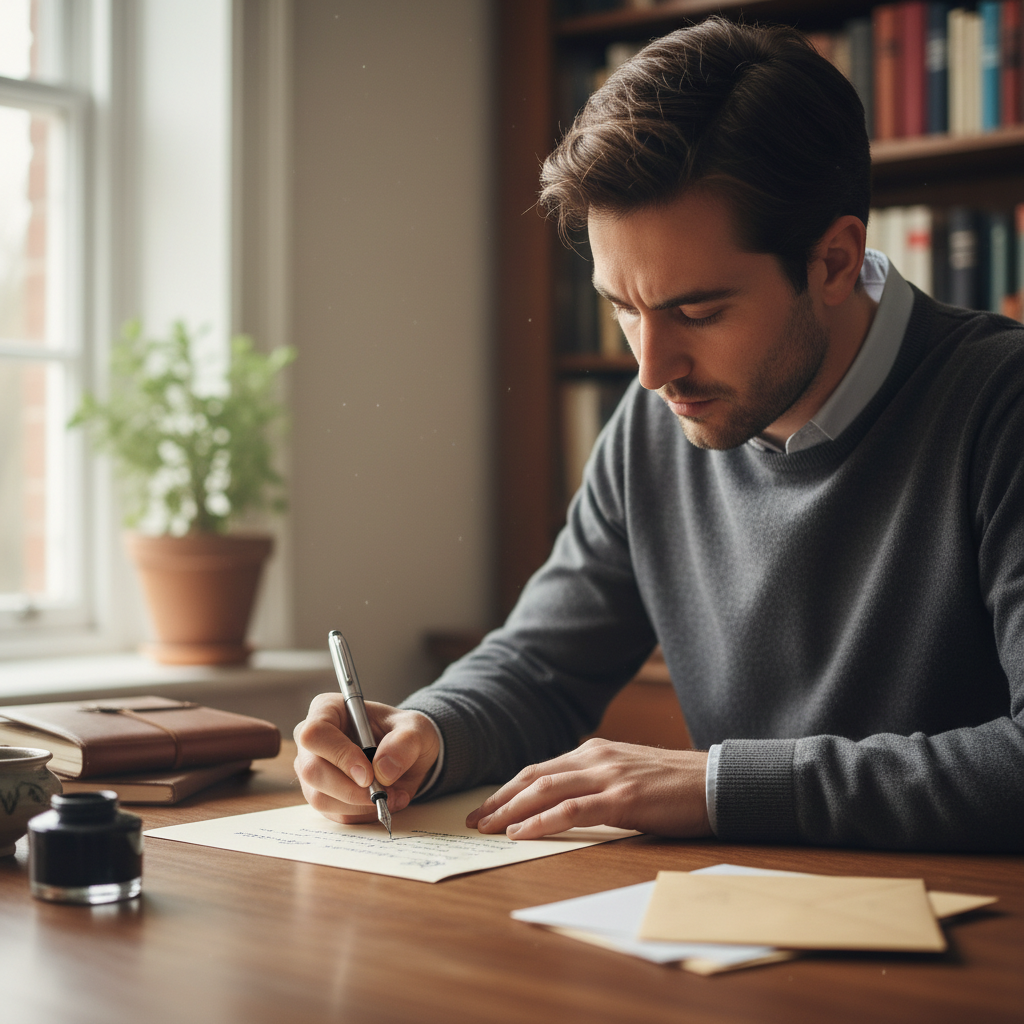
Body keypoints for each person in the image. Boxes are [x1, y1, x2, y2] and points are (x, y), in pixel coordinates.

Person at [294, 18, 1023, 851]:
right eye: (622, 308)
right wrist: (426, 733)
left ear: (833, 261)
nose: (650, 369)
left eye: (698, 311)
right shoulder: (657, 423)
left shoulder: (1001, 408)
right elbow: (542, 666)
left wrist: (717, 784)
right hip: (730, 936)